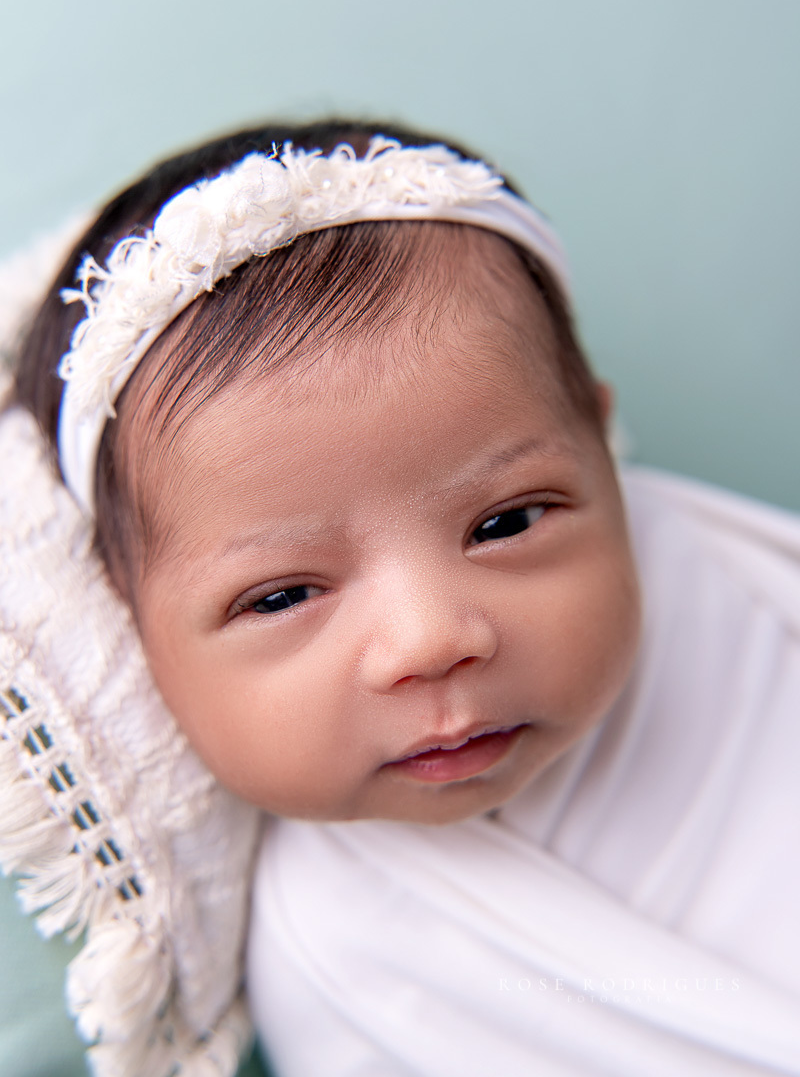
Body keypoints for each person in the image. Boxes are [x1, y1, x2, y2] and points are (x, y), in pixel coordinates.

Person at [1, 120, 798, 1077]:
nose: (429, 641)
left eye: (506, 524)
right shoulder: (339, 952)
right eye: (284, 595)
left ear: (599, 442)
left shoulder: (720, 585)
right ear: (127, 619)